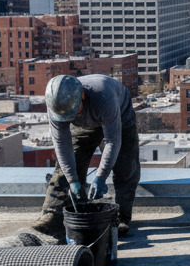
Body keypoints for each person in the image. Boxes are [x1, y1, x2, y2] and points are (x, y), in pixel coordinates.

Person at [32, 74, 140, 241]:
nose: (72, 117)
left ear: (82, 96)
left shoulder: (104, 96)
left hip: (120, 117)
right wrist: (73, 180)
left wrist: (101, 176)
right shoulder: (57, 103)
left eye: (74, 112)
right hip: (84, 125)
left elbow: (112, 141)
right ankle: (52, 217)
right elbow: (62, 143)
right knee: (65, 169)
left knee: (126, 167)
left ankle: (120, 218)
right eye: (68, 116)